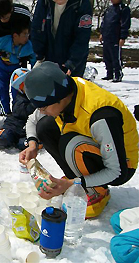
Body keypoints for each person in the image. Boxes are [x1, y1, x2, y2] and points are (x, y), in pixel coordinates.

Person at [19, 61, 138, 218]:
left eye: (43, 108)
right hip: (91, 144)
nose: (42, 111)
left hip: (122, 165)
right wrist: (33, 145)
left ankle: (98, 191)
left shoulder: (101, 114)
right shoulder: (64, 91)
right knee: (44, 127)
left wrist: (72, 184)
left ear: (59, 99)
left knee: (72, 144)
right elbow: (32, 120)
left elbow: (116, 171)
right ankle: (77, 180)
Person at [0, 0, 32, 116]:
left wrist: (25, 50)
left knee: (19, 80)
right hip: (0, 48)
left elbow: (32, 31)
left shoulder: (23, 14)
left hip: (21, 48)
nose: (2, 20)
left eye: (5, 16)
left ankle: (19, 106)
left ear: (11, 10)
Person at [30, 0, 92, 77]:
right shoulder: (44, 2)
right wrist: (39, 55)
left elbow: (82, 38)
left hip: (73, 60)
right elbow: (37, 29)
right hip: (48, 57)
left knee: (68, 86)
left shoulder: (82, 4)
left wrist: (72, 63)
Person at [0, 68, 36, 150]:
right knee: (3, 138)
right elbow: (21, 113)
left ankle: (29, 142)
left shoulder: (38, 95)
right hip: (15, 126)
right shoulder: (20, 100)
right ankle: (3, 134)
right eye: (25, 85)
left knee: (23, 144)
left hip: (29, 129)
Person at [100, 0, 131, 82]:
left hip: (116, 37)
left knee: (115, 57)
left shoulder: (123, 9)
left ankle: (118, 74)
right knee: (106, 56)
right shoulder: (109, 9)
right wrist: (102, 33)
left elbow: (125, 24)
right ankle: (109, 74)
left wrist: (123, 37)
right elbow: (104, 22)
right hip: (107, 36)